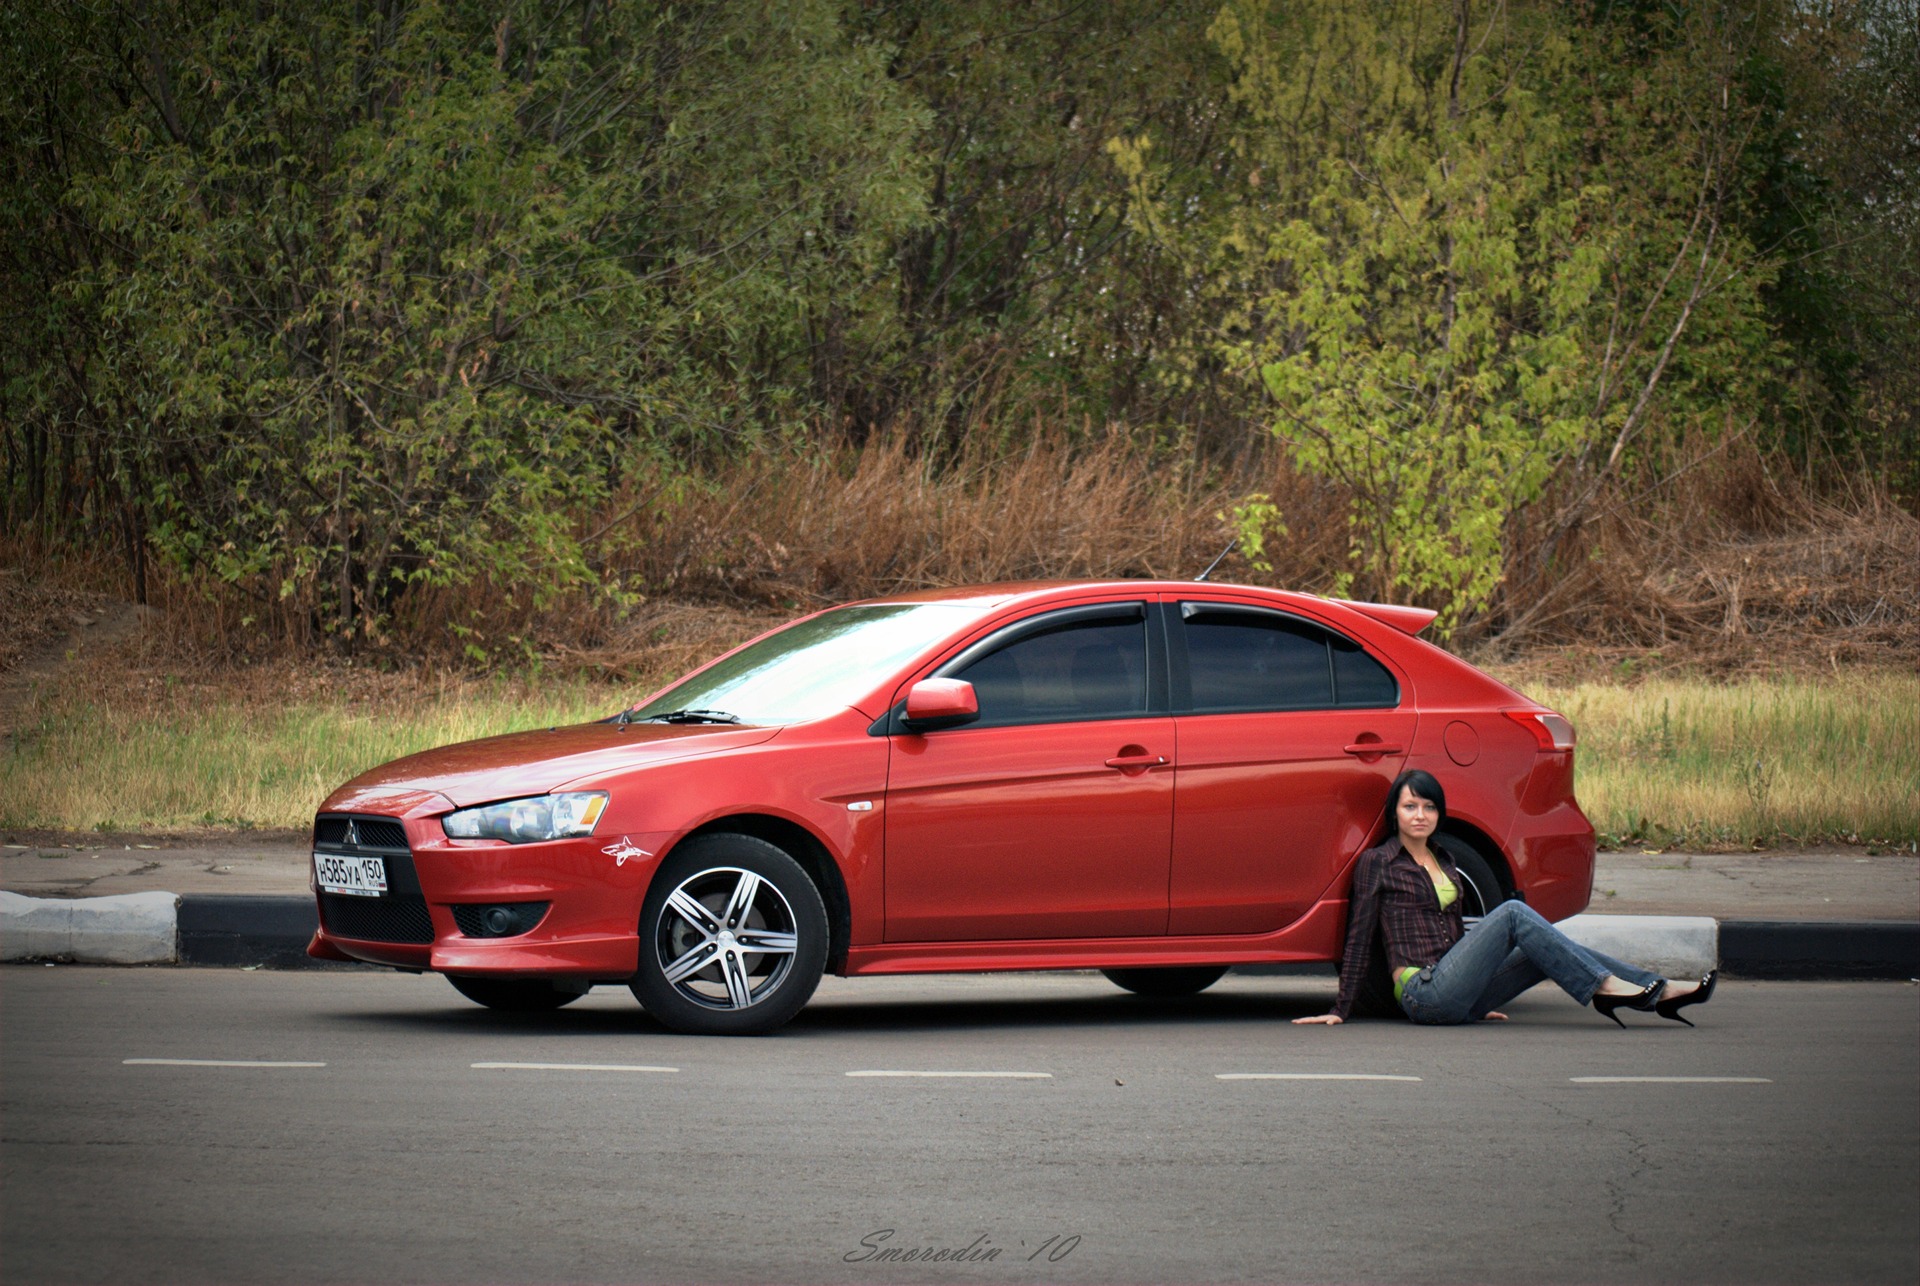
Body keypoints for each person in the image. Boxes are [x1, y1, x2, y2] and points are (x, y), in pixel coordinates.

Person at [1294, 769, 1716, 1027]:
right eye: (1410, 807)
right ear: (1395, 813)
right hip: (1423, 993)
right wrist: (1340, 1008)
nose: (1420, 815)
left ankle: (1659, 992)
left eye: (1428, 807)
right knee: (1513, 913)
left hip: (1454, 989)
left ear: (1439, 813)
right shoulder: (1378, 862)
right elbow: (1359, 935)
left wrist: (1476, 996)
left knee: (1555, 947)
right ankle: (1604, 988)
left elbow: (1458, 938)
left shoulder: (1445, 859)